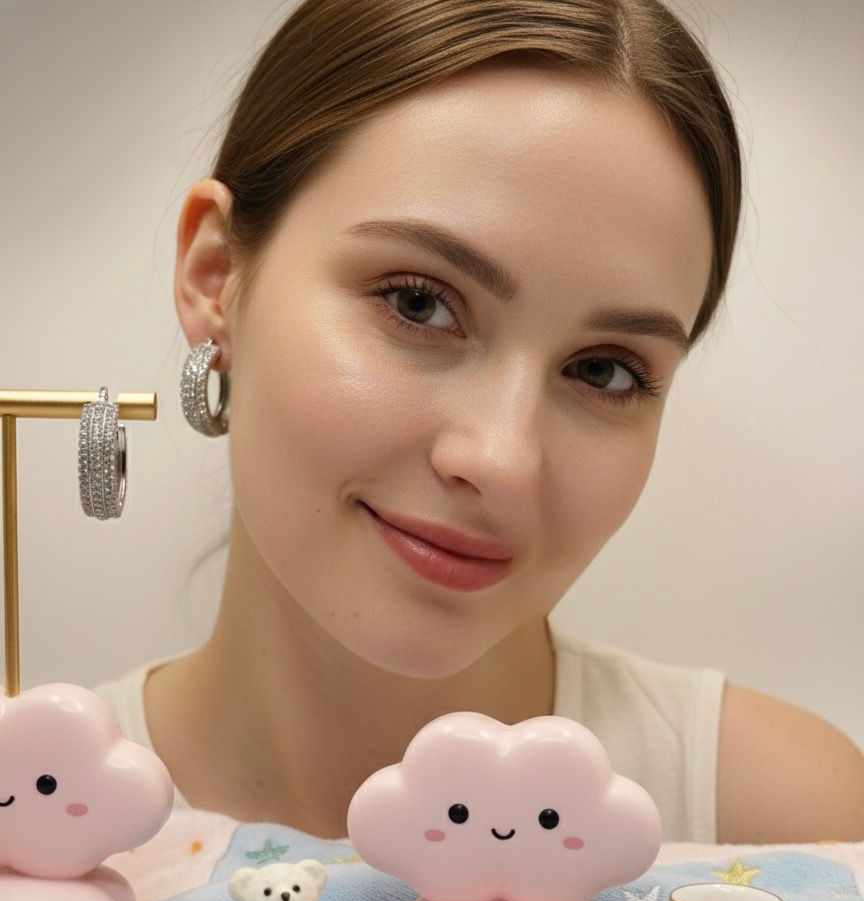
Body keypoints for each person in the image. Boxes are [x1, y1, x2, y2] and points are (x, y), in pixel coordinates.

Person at [97, 0, 863, 847]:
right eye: (418, 303)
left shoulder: (792, 829)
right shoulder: (24, 808)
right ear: (215, 276)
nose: (502, 458)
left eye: (603, 370)